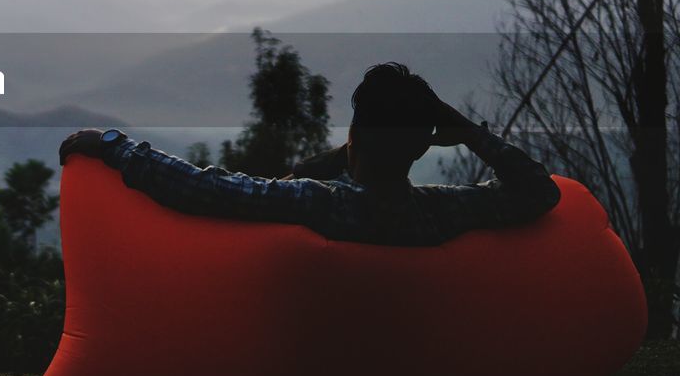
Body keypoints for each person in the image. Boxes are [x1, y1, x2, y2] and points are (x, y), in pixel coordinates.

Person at [59, 63, 562, 246]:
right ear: (421, 145)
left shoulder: (320, 205)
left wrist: (112, 146)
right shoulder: (445, 211)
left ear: (356, 134)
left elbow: (204, 187)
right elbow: (540, 191)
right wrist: (470, 132)